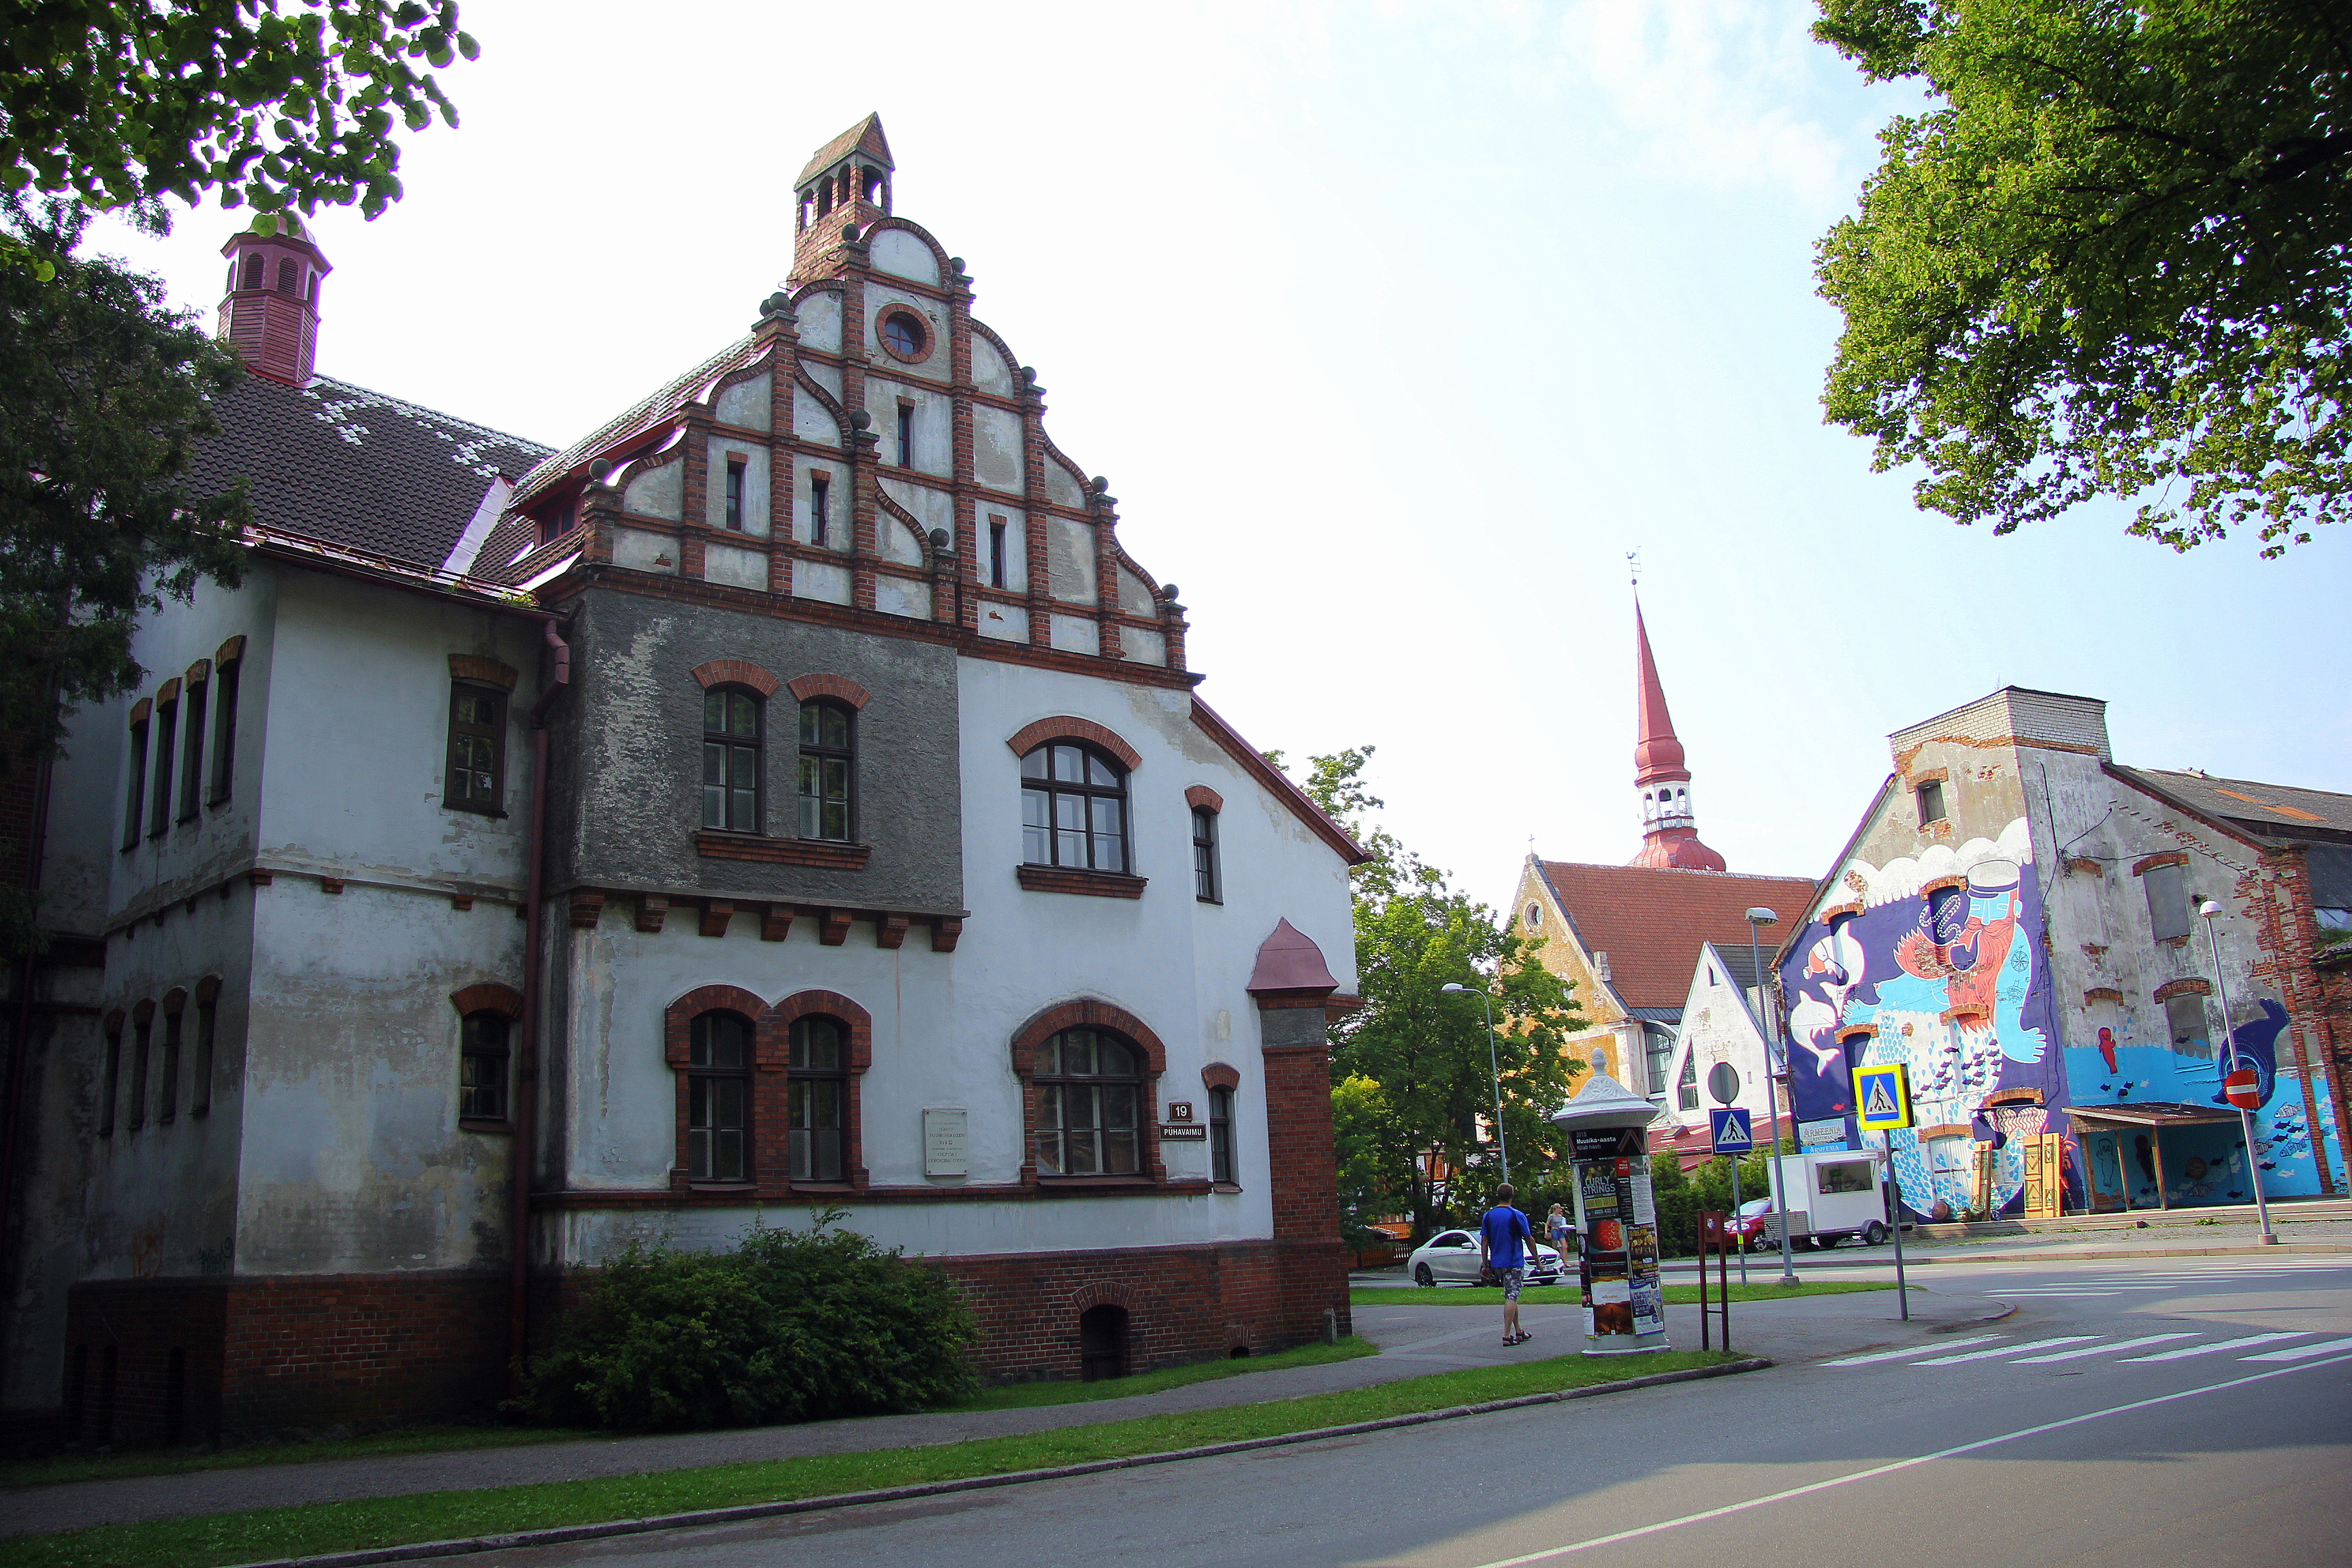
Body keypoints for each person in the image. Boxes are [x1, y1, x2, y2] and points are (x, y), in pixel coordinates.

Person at [1480, 1183, 1536, 1345]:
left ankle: (1519, 1331)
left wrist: (1485, 1265)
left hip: (1497, 1263)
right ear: (1513, 1195)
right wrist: (1537, 1261)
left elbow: (1484, 1241)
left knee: (1511, 1294)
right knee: (1512, 1296)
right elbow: (1529, 1240)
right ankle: (1506, 1335)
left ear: (1498, 1195)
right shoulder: (1516, 1214)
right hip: (1514, 1261)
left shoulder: (1489, 1215)